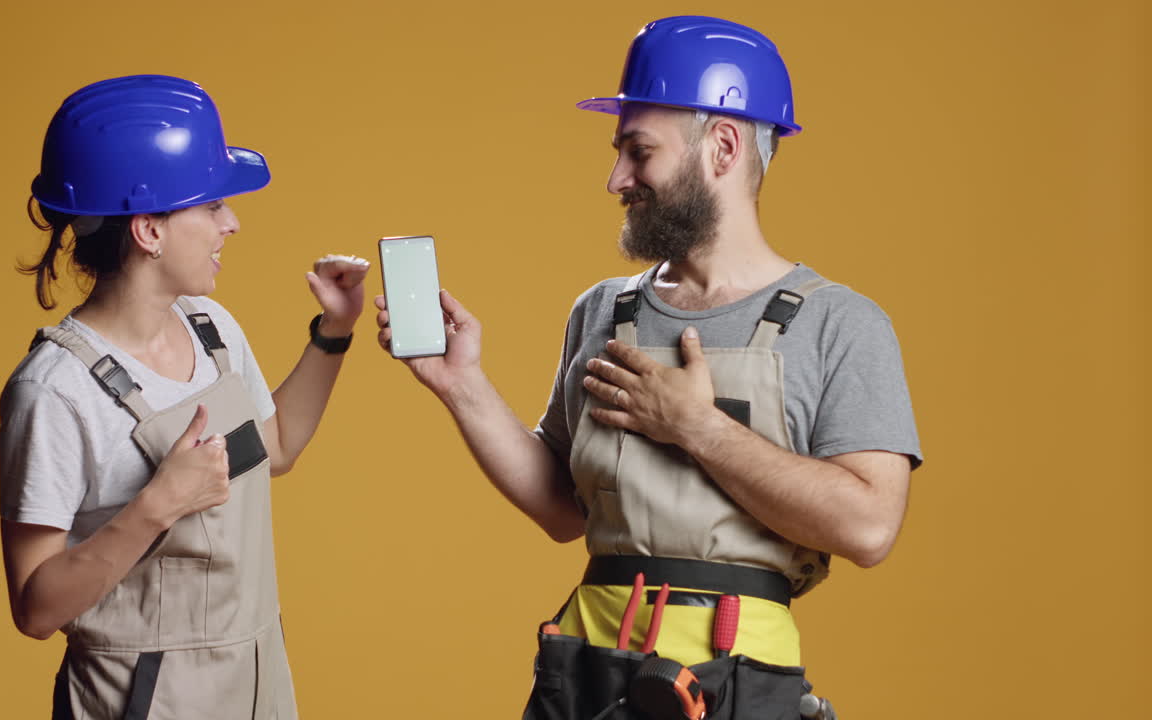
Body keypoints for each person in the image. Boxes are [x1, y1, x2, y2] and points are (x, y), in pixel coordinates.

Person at [374, 16, 921, 719]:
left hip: (734, 679)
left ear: (723, 146)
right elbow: (563, 510)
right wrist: (462, 386)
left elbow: (869, 528)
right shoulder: (603, 311)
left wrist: (697, 427)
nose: (616, 179)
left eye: (639, 152)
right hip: (585, 670)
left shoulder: (838, 323)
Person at [0, 74, 368, 719]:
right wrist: (157, 505)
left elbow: (277, 447)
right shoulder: (54, 391)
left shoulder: (210, 328)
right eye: (212, 205)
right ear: (149, 230)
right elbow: (35, 608)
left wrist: (333, 332)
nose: (232, 223)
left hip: (254, 684)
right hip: (140, 701)